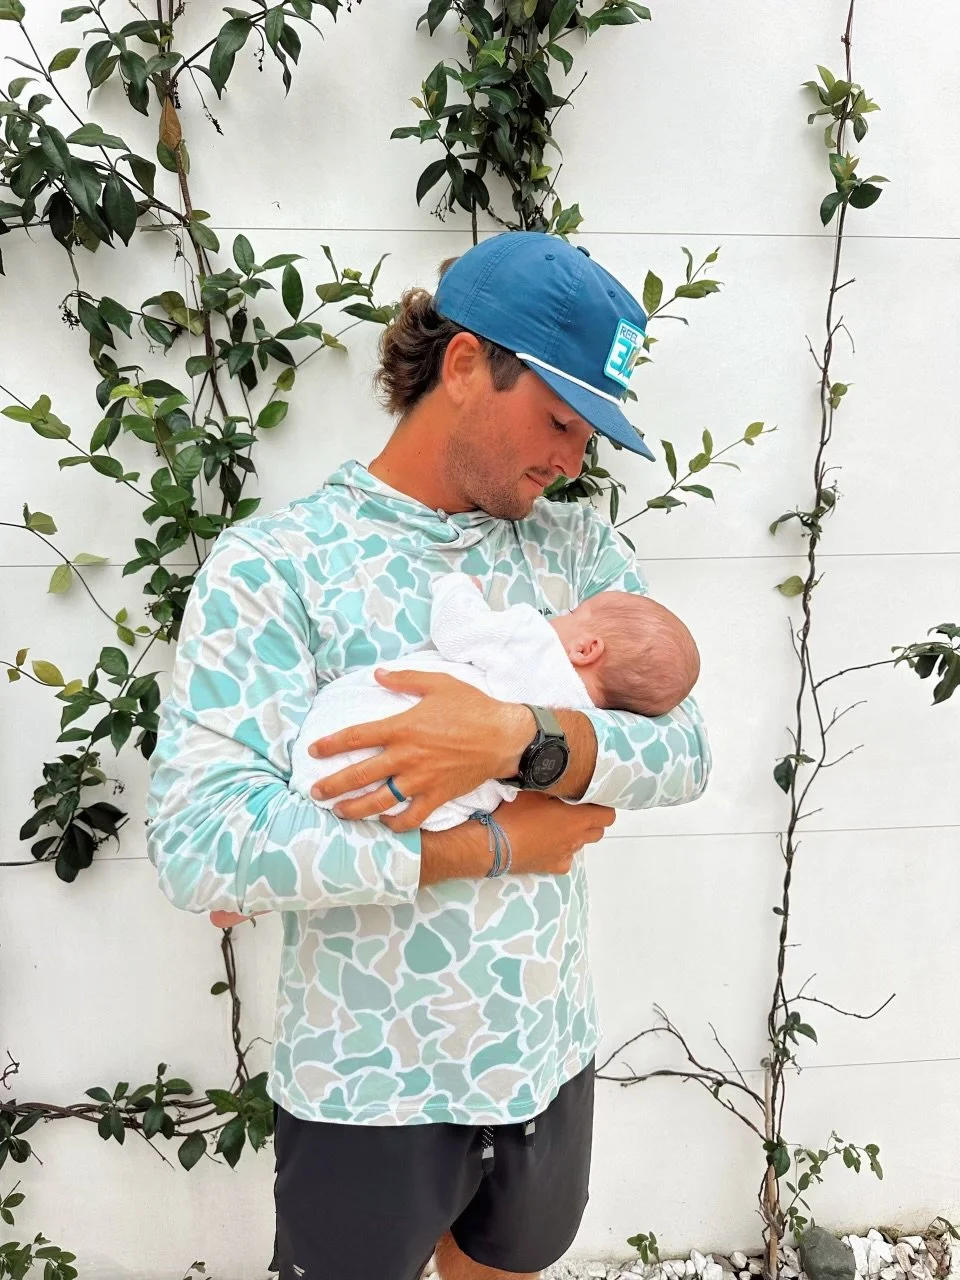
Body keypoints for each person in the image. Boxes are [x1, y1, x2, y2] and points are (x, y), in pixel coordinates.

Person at [145, 230, 712, 1280]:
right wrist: (488, 845)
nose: (572, 459)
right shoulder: (280, 565)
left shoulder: (576, 549)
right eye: (558, 418)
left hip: (543, 1050)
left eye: (590, 434)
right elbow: (201, 841)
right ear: (461, 365)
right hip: (371, 1082)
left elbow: (683, 744)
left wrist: (516, 740)